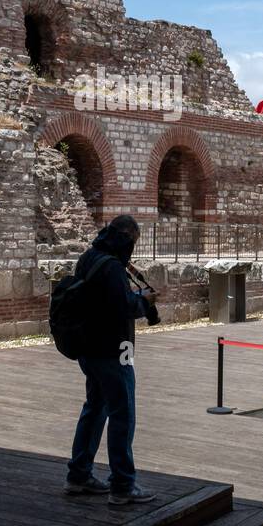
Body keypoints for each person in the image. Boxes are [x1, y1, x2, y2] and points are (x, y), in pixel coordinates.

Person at [64, 214, 159, 505]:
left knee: (94, 409)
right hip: (113, 352)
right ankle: (122, 485)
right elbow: (124, 306)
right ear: (128, 238)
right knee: (122, 415)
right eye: (133, 241)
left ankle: (79, 476)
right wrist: (146, 302)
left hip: (88, 349)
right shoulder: (113, 268)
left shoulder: (88, 258)